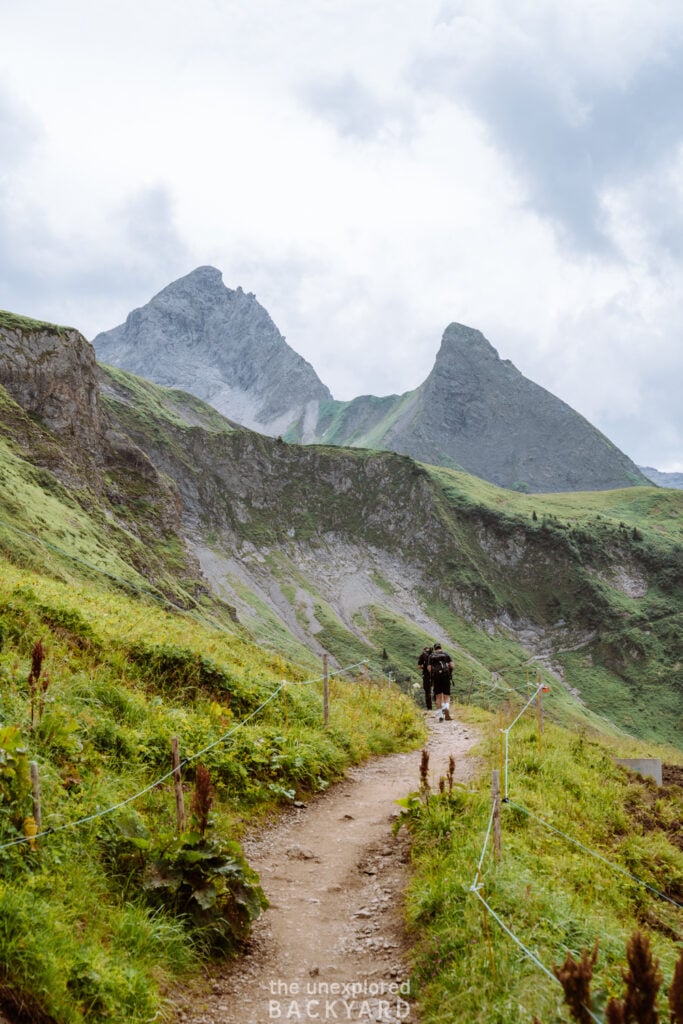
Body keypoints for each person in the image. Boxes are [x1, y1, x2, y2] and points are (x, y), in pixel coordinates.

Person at [428, 643, 454, 721]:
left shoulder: (431, 656)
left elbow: (429, 669)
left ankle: (440, 716)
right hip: (446, 676)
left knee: (438, 696)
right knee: (447, 695)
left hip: (436, 678)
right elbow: (452, 666)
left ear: (434, 648)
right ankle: (446, 707)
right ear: (440, 648)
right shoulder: (446, 655)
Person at [417, 645, 433, 709]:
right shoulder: (433, 655)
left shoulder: (422, 656)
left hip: (426, 675)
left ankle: (429, 708)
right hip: (435, 674)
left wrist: (424, 667)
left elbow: (419, 666)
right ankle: (440, 707)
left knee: (427, 691)